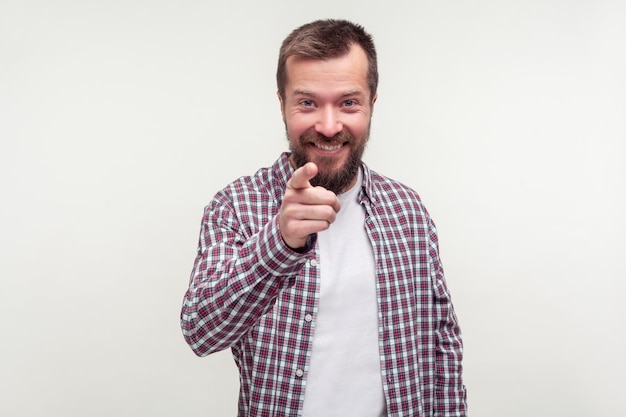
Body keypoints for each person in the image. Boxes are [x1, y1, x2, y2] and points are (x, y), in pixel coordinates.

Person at [181, 19, 467, 416]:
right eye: (308, 103)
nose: (329, 126)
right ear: (281, 103)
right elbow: (201, 332)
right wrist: (278, 243)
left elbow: (442, 345)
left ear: (371, 104)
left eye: (348, 102)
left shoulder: (408, 209)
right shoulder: (235, 206)